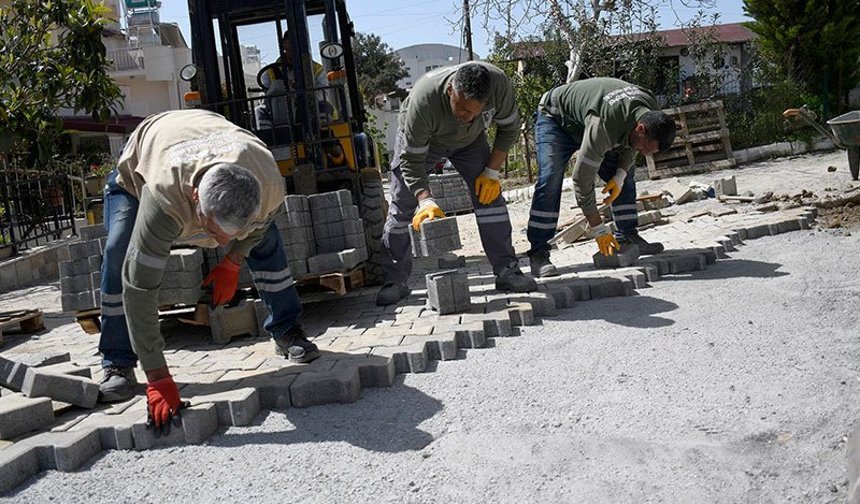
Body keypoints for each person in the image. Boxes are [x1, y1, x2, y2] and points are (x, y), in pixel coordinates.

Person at [97, 109, 319, 430]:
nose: (223, 241)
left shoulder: (267, 179)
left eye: (233, 233)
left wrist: (233, 258)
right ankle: (117, 361)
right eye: (216, 232)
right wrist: (157, 376)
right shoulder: (164, 198)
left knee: (266, 240)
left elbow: (260, 225)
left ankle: (287, 330)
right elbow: (140, 286)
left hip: (208, 135)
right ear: (195, 199)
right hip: (142, 163)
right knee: (119, 253)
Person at [375, 62, 537, 306]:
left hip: (471, 143)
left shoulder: (499, 85)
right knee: (402, 207)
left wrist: (492, 171)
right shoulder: (424, 100)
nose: (466, 117)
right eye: (461, 109)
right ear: (451, 90)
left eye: (474, 112)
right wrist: (425, 199)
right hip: (426, 142)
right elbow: (411, 160)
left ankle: (507, 270)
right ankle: (395, 280)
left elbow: (510, 128)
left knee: (489, 199)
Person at [526, 78, 677, 277]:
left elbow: (632, 148)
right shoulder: (605, 124)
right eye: (645, 148)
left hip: (593, 116)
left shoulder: (651, 112)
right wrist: (598, 228)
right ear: (640, 128)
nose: (643, 152)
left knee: (626, 172)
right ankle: (539, 252)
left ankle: (627, 236)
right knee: (551, 177)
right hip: (557, 117)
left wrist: (620, 175)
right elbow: (581, 179)